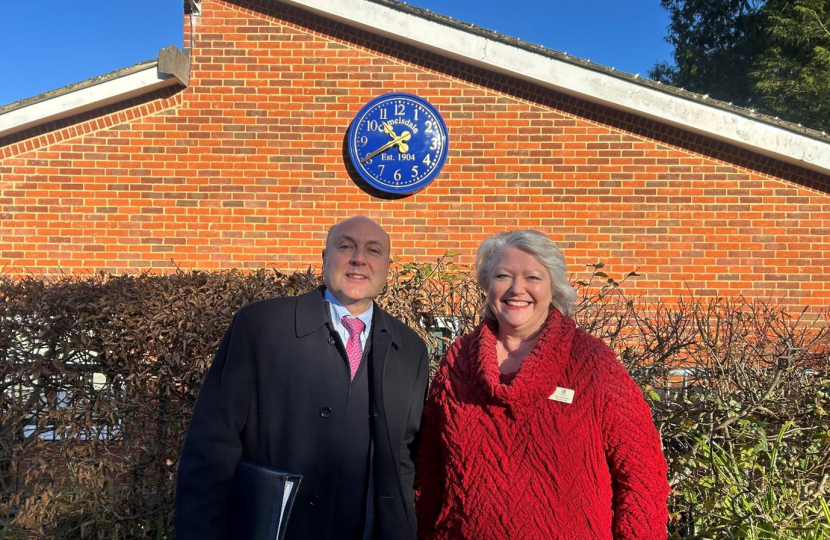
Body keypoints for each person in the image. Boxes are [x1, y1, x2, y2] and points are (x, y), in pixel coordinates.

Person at [176, 216, 430, 540]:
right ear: (325, 258)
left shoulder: (409, 349)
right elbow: (212, 446)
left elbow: (405, 458)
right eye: (346, 246)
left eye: (373, 250)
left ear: (387, 268)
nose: (359, 259)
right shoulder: (261, 327)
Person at [414, 230, 670, 540]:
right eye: (503, 276)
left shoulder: (590, 362)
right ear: (487, 285)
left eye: (533, 277)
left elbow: (641, 474)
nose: (516, 289)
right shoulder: (458, 363)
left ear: (554, 287)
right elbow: (429, 471)